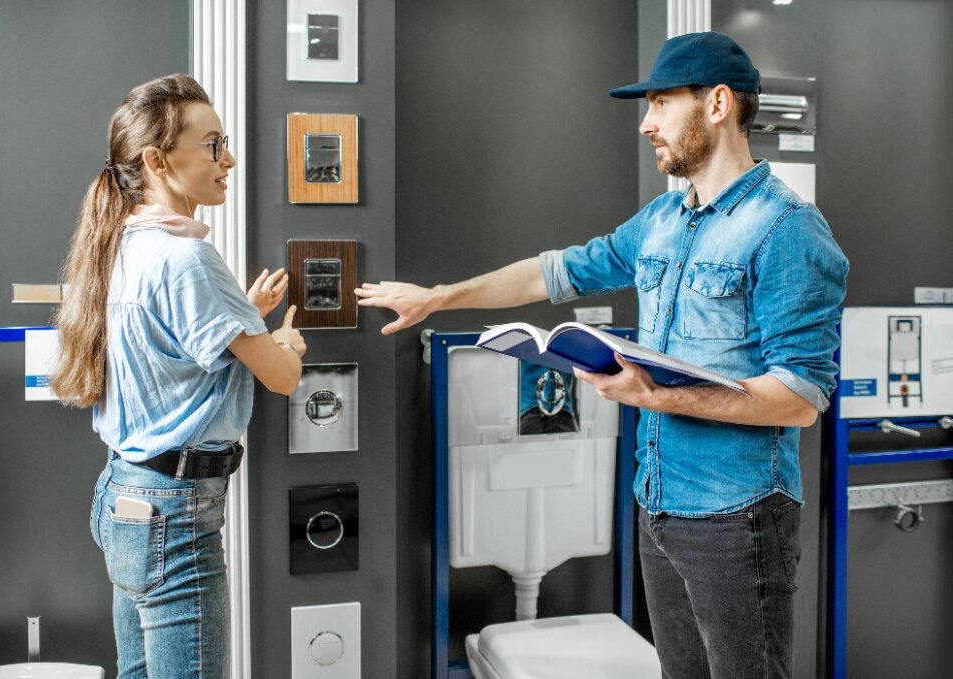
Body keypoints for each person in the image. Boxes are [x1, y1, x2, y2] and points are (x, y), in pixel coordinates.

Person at [355, 32, 847, 679]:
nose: (647, 123)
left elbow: (801, 397)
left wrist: (658, 396)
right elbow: (553, 273)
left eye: (661, 103)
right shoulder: (663, 220)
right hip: (658, 504)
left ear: (719, 103)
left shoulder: (786, 229)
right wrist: (440, 297)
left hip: (738, 518)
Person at [51, 73, 306, 678]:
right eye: (213, 144)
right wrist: (286, 340)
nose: (230, 159)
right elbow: (282, 377)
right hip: (174, 514)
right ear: (158, 160)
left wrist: (243, 316)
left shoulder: (121, 246)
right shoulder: (187, 256)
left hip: (125, 499)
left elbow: (173, 352)